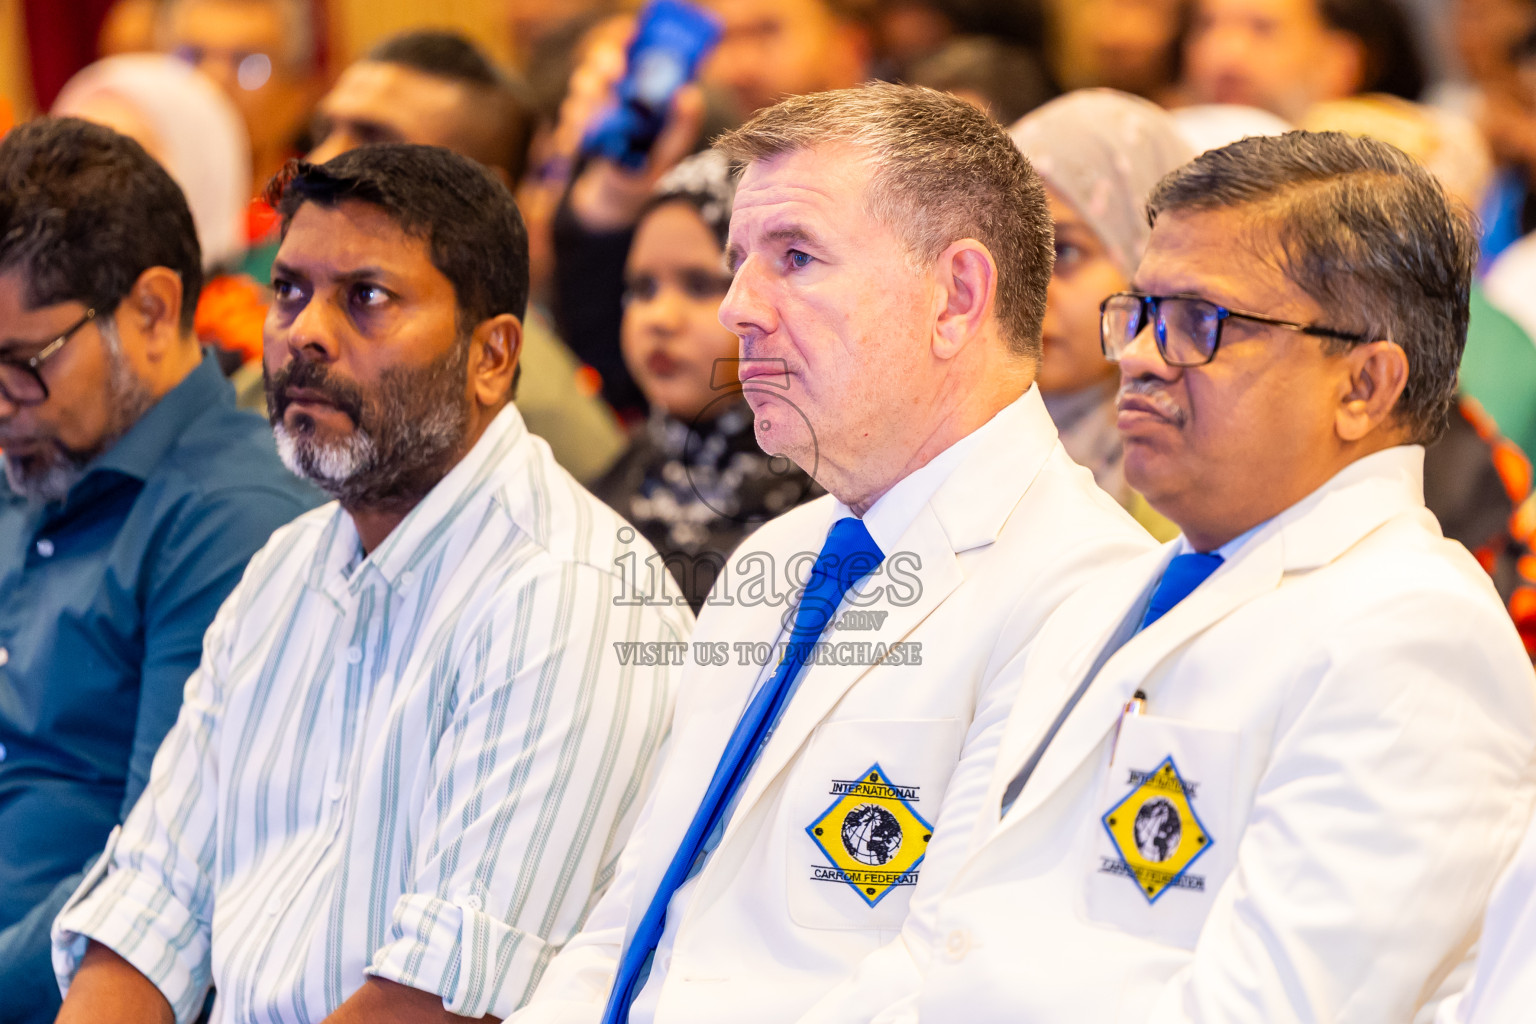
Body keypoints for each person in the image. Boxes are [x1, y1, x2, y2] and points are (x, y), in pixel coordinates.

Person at [797, 130, 1536, 1024]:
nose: (1140, 355)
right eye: (1141, 312)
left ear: (1364, 386)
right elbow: (938, 935)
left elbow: (1271, 1012)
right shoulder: (1121, 587)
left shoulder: (1413, 634)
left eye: (1200, 323)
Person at [513, 83, 1154, 1024]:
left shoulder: (1089, 594)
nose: (737, 309)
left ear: (957, 296)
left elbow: (946, 982)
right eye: (738, 265)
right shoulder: (776, 558)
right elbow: (627, 925)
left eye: (796, 258)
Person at [51, 144, 691, 1023]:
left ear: (493, 356)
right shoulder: (286, 567)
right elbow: (148, 912)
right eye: (290, 291)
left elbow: (439, 1005)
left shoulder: (568, 595)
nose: (306, 331)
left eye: (367, 298)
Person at [0, 117, 319, 1024]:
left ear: (149, 309)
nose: (1, 401)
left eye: (23, 364)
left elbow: (162, 887)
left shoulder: (232, 521)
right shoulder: (34, 456)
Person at [302, 29, 627, 483]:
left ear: (475, 196)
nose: (319, 162)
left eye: (372, 142)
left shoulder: (531, 419)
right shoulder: (300, 330)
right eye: (324, 130)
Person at [592, 150, 822, 611]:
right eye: (642, 288)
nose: (658, 318)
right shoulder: (612, 488)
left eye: (700, 284)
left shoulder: (825, 502)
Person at [1009, 89, 1192, 539]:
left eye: (1065, 251)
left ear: (1150, 256)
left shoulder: (1196, 493)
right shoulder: (934, 451)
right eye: (1008, 249)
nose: (1026, 287)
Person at [51, 53, 271, 387]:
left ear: (197, 169)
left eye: (115, 162)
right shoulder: (37, 322)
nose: (79, 187)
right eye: (67, 161)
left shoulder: (253, 343)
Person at [158, 0, 321, 186]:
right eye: (192, 57)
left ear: (296, 96)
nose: (214, 81)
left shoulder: (317, 208)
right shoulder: (139, 200)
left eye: (249, 63)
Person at [1181, 0, 1426, 121]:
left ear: (1341, 62)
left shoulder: (1421, 156)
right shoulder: (1155, 146)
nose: (1222, 53)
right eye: (1205, 26)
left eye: (1262, 28)